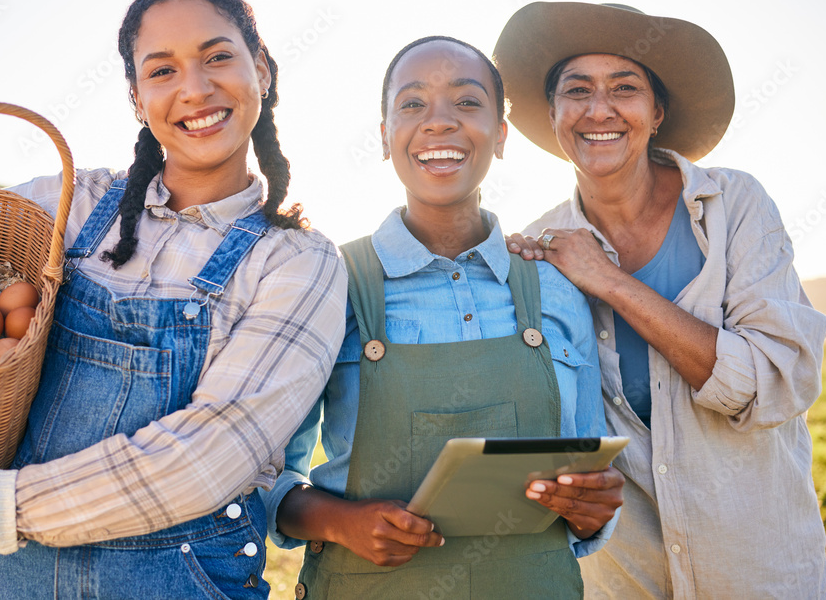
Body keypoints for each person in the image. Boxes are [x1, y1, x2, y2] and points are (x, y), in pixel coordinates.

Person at [0, 0, 347, 599]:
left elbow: (209, 455)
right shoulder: (72, 204)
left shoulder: (295, 261)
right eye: (162, 71)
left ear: (262, 70)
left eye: (218, 56)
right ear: (136, 98)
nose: (195, 88)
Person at [262, 35, 624, 599]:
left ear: (500, 136)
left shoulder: (555, 288)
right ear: (384, 137)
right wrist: (341, 523)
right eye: (412, 104)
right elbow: (265, 478)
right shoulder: (328, 283)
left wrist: (593, 506)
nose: (439, 123)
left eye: (467, 102)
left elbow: (588, 470)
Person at [494, 1, 826, 598]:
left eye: (624, 88)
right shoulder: (539, 250)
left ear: (656, 113)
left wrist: (611, 281)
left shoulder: (734, 207)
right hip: (624, 580)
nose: (599, 109)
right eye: (578, 90)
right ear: (553, 114)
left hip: (759, 574)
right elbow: (543, 429)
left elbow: (776, 383)